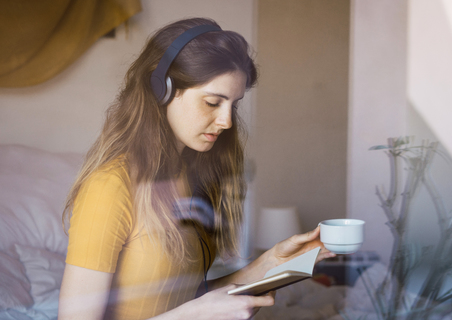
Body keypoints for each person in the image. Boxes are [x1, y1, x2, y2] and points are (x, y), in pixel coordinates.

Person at [58, 17, 335, 320]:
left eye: (234, 104)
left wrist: (272, 262)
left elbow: (188, 298)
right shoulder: (110, 186)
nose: (227, 121)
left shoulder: (191, 178)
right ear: (161, 89)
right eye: (213, 102)